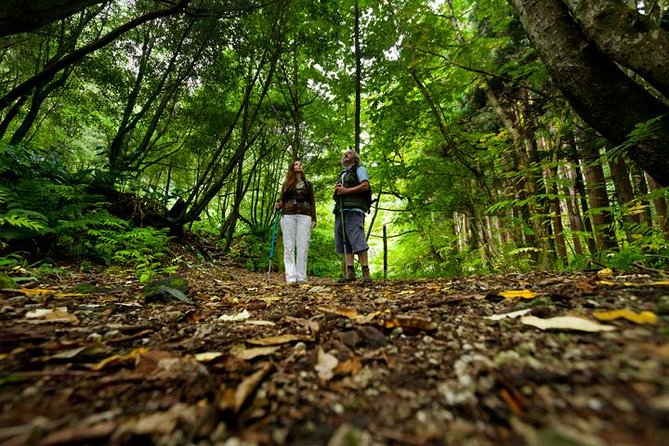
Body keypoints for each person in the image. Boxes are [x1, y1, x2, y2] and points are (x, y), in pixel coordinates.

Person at [333, 149, 372, 283]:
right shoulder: (342, 173)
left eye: (349, 153)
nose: (345, 155)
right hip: (341, 210)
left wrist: (346, 190)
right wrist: (337, 191)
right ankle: (350, 273)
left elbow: (365, 186)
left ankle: (366, 273)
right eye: (344, 154)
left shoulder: (360, 169)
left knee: (357, 238)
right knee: (344, 241)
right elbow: (339, 193)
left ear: (355, 158)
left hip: (355, 209)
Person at [275, 160, 317, 284]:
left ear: (302, 168)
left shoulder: (308, 184)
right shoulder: (287, 184)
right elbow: (282, 199)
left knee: (303, 246)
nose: (298, 166)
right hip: (288, 215)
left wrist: (314, 218)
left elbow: (312, 202)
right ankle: (291, 276)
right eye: (295, 164)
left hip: (305, 216)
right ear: (292, 168)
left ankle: (301, 277)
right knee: (288, 246)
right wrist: (278, 204)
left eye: (300, 164)